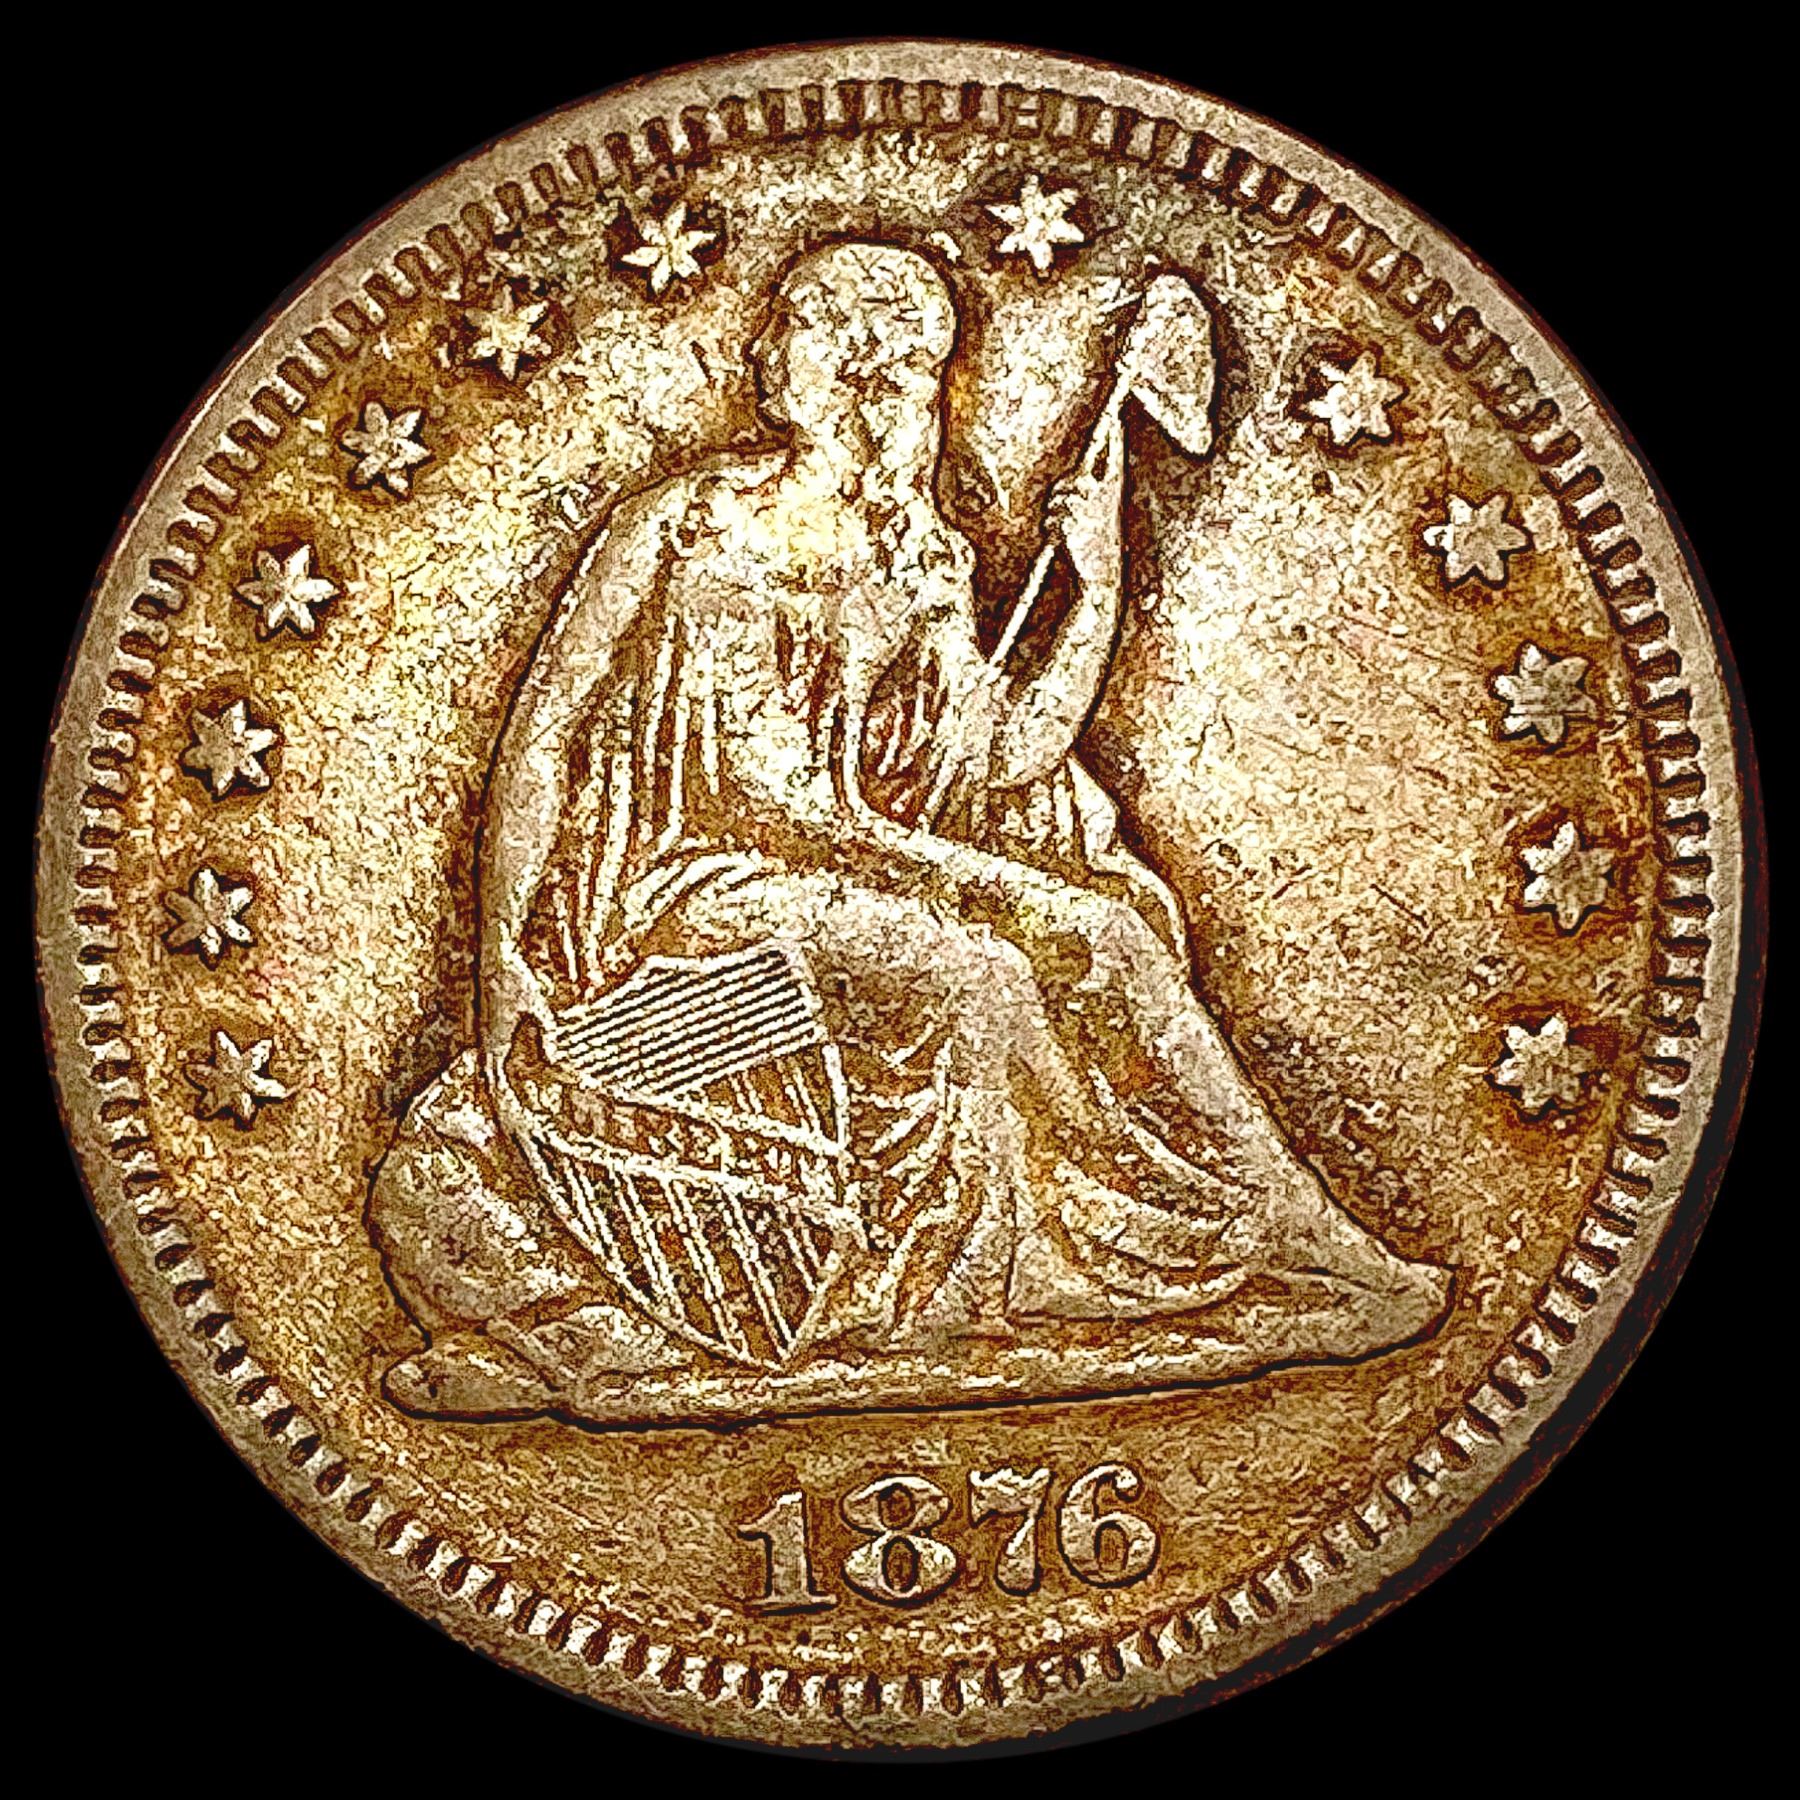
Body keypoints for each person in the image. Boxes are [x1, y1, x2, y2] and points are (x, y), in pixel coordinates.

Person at [370, 241, 1448, 1420]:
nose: (865, 389)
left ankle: (1307, 1245)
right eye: (839, 355)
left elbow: (1004, 758)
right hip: (689, 893)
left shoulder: (921, 556)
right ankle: (981, 1285)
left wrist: (1094, 587)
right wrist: (506, 963)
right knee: (983, 969)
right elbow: (595, 752)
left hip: (830, 875)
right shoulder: (693, 527)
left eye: (900, 371)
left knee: (1112, 937)